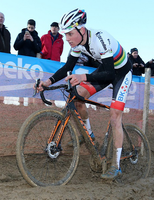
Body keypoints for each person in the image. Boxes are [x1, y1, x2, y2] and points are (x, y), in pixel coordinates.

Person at [36, 8, 132, 180]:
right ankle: (89, 135)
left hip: (121, 73)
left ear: (81, 30)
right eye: (65, 35)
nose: (67, 39)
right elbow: (67, 67)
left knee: (114, 115)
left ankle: (116, 166)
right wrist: (48, 82)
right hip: (105, 71)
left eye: (70, 34)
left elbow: (110, 74)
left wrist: (83, 76)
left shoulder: (99, 38)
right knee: (78, 95)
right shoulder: (78, 44)